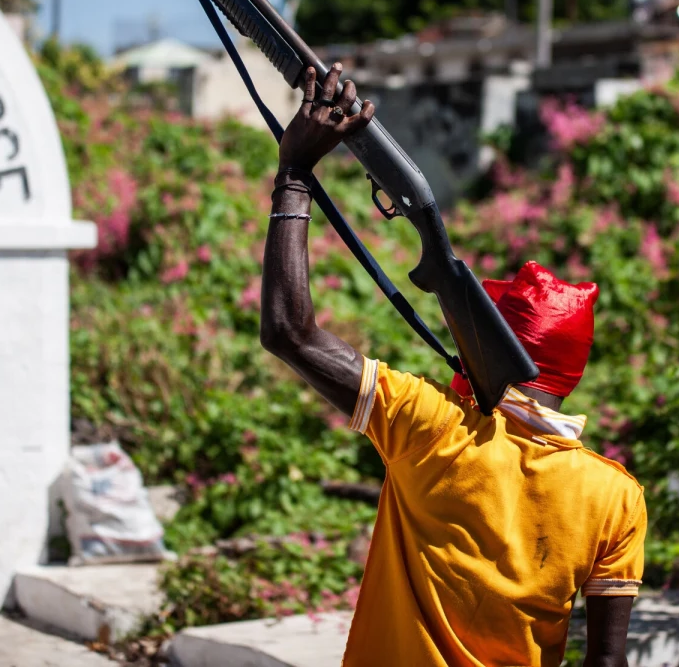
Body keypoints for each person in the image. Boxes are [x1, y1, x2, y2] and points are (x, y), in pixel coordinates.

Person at [259, 63, 646, 667]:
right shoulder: (615, 496)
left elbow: (288, 332)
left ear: (488, 342)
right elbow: (607, 664)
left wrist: (294, 174)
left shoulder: (428, 425)